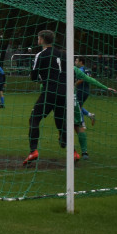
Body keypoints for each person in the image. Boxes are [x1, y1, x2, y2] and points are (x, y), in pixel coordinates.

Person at [22, 30, 68, 166]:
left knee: (34, 118)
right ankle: (72, 150)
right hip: (64, 91)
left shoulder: (41, 55)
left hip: (50, 91)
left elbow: (34, 76)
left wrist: (43, 78)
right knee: (60, 120)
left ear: (41, 39)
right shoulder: (62, 54)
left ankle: (33, 151)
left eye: (38, 38)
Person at [70, 65, 117, 161]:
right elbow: (90, 79)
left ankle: (74, 152)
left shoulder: (57, 66)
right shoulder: (74, 68)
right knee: (78, 125)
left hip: (61, 99)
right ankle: (84, 152)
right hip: (74, 99)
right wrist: (106, 88)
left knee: (63, 127)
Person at [75, 57, 95, 125]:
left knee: (78, 107)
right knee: (77, 105)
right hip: (86, 90)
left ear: (81, 62)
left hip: (81, 90)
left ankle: (82, 124)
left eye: (77, 60)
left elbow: (82, 79)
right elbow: (90, 77)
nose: (75, 62)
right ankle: (90, 115)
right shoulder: (88, 69)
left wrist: (74, 84)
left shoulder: (80, 69)